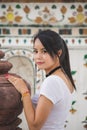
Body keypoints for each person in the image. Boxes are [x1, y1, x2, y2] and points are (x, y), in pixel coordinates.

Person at [5, 29, 76, 130]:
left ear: (58, 53)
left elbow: (34, 126)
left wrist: (24, 92)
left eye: (44, 51)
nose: (38, 56)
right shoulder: (65, 78)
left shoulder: (52, 81)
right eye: (35, 51)